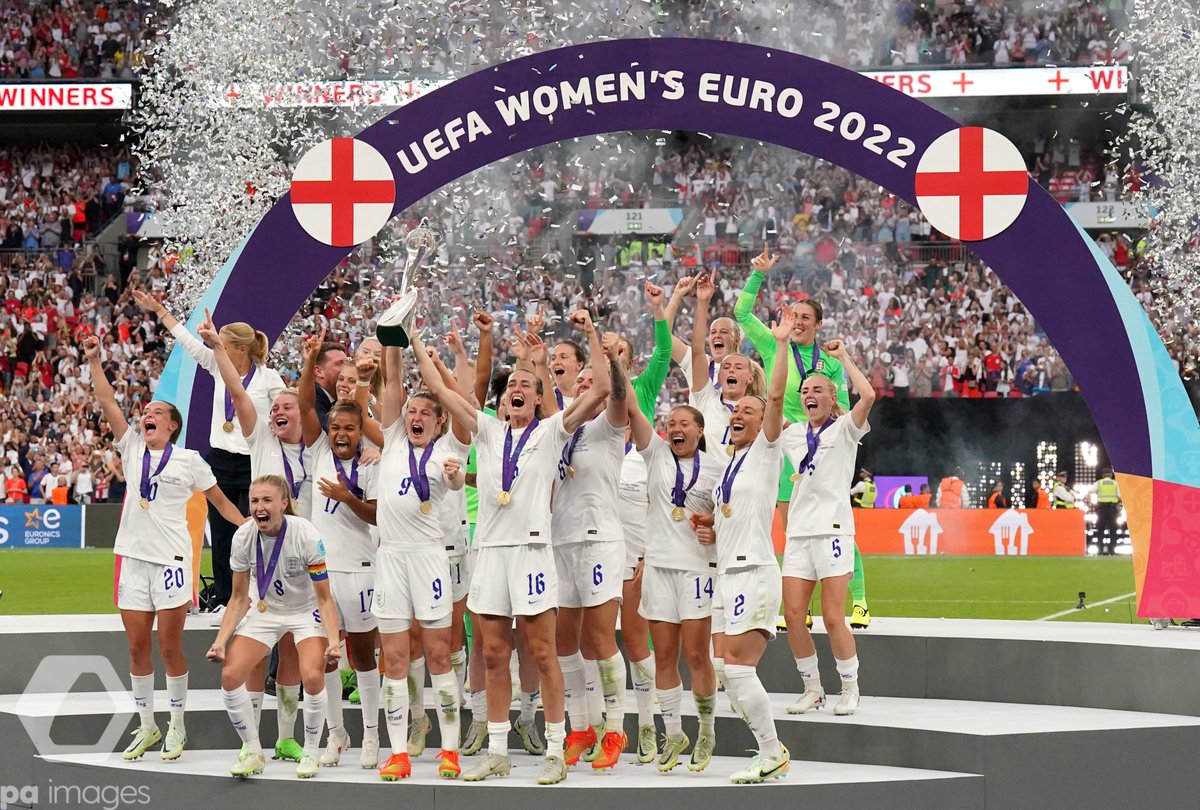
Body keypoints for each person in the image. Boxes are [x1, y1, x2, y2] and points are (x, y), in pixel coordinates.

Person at [411, 309, 611, 785]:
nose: (517, 389)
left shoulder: (551, 430)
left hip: (532, 553)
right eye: (510, 387)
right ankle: (498, 750)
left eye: (527, 384)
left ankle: (557, 750)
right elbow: (439, 391)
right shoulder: (487, 429)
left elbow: (602, 388)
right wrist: (413, 335)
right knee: (495, 653)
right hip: (490, 555)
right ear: (502, 401)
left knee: (542, 653)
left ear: (539, 398)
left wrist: (591, 333)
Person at [84, 334, 245, 762]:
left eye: (157, 412)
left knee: (169, 648)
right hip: (133, 561)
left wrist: (249, 525)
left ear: (172, 425)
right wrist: (96, 361)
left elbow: (221, 503)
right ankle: (147, 727)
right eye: (146, 412)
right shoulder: (133, 447)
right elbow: (108, 403)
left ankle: (177, 725)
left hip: (172, 563)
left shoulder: (190, 460)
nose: (147, 414)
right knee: (137, 648)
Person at [735, 246, 871, 629]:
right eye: (794, 315)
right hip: (783, 448)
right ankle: (801, 607)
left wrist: (832, 438)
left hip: (823, 448)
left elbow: (843, 404)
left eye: (805, 317)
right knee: (794, 529)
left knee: (833, 524)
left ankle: (859, 600)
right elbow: (742, 315)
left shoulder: (828, 360)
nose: (797, 322)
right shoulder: (773, 343)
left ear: (817, 323)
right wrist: (757, 274)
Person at [200, 311, 309, 763]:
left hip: (301, 556)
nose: (279, 411)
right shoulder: (261, 438)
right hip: (261, 554)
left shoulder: (312, 449)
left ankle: (285, 736)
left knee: (290, 650)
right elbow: (239, 392)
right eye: (275, 407)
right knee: (259, 649)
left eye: (288, 407)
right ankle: (253, 746)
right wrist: (218, 348)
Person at [136, 291, 286, 617]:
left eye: (223, 344)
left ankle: (259, 599)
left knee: (255, 531)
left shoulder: (269, 379)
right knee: (221, 535)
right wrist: (160, 310)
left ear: (241, 350)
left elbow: (288, 411)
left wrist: (277, 429)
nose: (217, 348)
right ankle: (222, 599)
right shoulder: (219, 368)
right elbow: (189, 344)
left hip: (253, 465)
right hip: (219, 459)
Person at [696, 307, 794, 783]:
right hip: (725, 571)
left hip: (753, 570)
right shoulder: (730, 466)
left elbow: (775, 395)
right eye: (736, 411)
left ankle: (772, 751)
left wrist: (777, 345)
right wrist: (712, 528)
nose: (739, 414)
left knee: (735, 669)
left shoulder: (766, 451)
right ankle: (767, 749)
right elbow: (731, 517)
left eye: (749, 412)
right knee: (721, 666)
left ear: (764, 422)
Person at [370, 342, 471, 781]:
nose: (416, 417)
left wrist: (453, 478)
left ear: (439, 421)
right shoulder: (392, 437)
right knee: (393, 659)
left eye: (426, 413)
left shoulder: (449, 450)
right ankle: (398, 754)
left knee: (438, 656)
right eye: (412, 411)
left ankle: (449, 751)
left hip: (429, 559)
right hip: (389, 558)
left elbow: (454, 480)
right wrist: (394, 337)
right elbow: (392, 380)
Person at [206, 475, 341, 778]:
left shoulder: (306, 534)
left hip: (305, 611)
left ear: (283, 503)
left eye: (267, 500)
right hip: (265, 608)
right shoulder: (243, 536)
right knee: (229, 675)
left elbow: (324, 598)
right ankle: (253, 751)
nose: (259, 507)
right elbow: (239, 599)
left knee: (311, 674)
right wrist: (220, 641)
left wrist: (333, 641)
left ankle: (310, 751)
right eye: (255, 501)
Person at [298, 328, 381, 769]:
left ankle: (371, 736)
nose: (342, 433)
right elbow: (307, 405)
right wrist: (311, 361)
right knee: (326, 657)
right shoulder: (318, 453)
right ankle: (336, 735)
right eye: (337, 428)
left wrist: (348, 498)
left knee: (364, 657)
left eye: (350, 427)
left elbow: (377, 516)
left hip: (363, 568)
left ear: (360, 430)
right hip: (322, 574)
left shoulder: (375, 460)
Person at [781, 336, 876, 718]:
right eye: (805, 390)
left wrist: (843, 357)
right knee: (792, 616)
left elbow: (867, 396)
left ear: (831, 395)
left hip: (834, 532)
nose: (809, 394)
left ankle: (850, 688)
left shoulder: (844, 430)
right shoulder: (791, 433)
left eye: (818, 389)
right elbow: (771, 404)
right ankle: (813, 689)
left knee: (834, 616)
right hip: (799, 534)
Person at [548, 331, 631, 771]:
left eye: (588, 379)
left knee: (600, 640)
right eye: (578, 381)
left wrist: (601, 349)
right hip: (561, 539)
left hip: (600, 539)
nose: (583, 385)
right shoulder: (560, 431)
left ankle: (615, 727)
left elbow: (615, 390)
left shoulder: (611, 425)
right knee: (566, 644)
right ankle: (580, 727)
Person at [629, 396, 723, 773]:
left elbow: (729, 519)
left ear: (700, 432)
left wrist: (713, 528)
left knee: (698, 656)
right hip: (660, 569)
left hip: (697, 571)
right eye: (671, 422)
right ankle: (673, 732)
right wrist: (618, 365)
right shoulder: (654, 456)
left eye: (685, 423)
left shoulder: (717, 469)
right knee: (664, 657)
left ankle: (706, 730)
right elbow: (633, 410)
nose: (677, 428)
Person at [689, 271, 765, 458]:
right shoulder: (706, 397)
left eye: (738, 368)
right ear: (719, 375)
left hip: (744, 482)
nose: (731, 370)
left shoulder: (759, 407)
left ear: (750, 377)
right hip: (707, 484)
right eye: (726, 368)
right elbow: (697, 351)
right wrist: (703, 303)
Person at [1093, 468, 1121, 556]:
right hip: (1112, 509)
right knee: (1113, 530)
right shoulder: (1116, 483)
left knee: (1100, 529)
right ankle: (1112, 551)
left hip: (1101, 509)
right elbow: (1119, 497)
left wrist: (1094, 504)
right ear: (1111, 474)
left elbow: (1089, 493)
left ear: (1102, 475)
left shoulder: (1099, 483)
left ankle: (1100, 551)